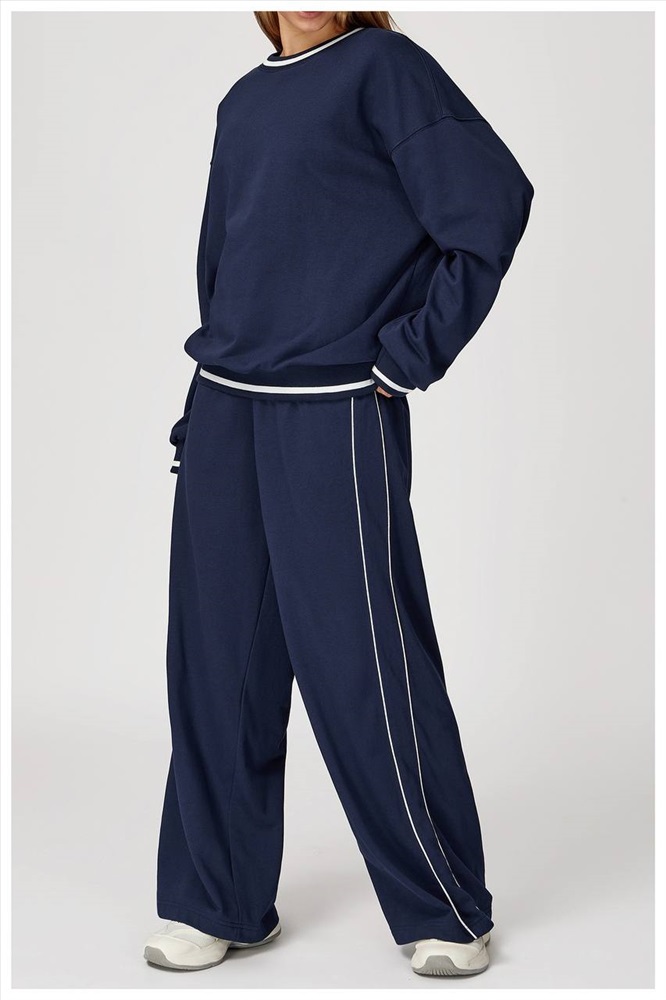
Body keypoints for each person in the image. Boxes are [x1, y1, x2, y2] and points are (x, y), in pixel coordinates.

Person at [143, 10, 534, 979]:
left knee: (364, 662)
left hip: (333, 408)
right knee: (214, 663)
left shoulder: (384, 67)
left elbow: (493, 201)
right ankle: (216, 898)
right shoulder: (244, 100)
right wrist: (204, 405)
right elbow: (224, 263)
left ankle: (444, 905)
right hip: (227, 405)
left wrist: (408, 356)